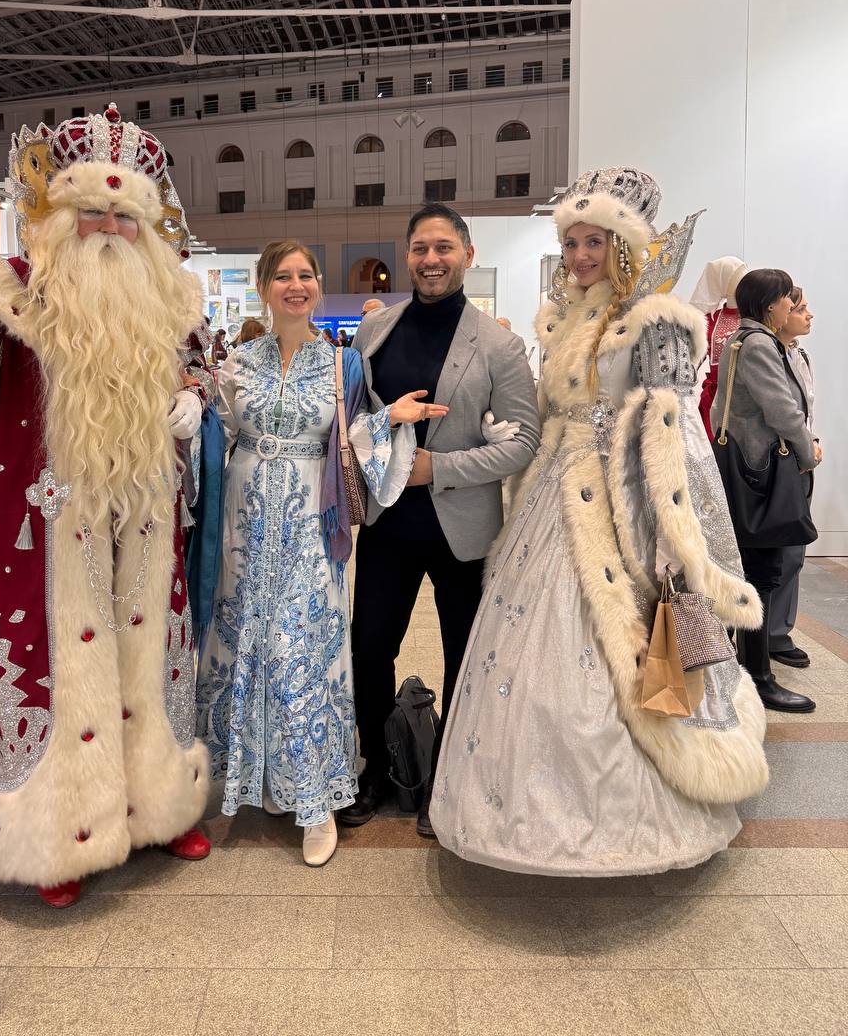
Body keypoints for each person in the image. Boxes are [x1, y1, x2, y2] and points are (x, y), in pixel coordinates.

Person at [0, 105, 213, 908]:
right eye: (92, 210)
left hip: (143, 520)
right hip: (42, 527)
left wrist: (196, 397)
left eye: (125, 215)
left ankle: (159, 808)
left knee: (146, 661)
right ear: (59, 215)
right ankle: (54, 835)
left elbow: (197, 368)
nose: (109, 228)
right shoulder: (1, 292)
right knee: (53, 667)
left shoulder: (170, 299)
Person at [430, 167, 769, 876]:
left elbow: (676, 441)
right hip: (553, 503)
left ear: (623, 243)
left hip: (625, 507)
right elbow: (557, 412)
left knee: (630, 654)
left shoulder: (658, 322)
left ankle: (639, 814)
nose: (581, 255)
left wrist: (677, 543)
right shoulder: (567, 318)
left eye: (594, 241)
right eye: (572, 242)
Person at [197, 240, 435, 867]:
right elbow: (213, 437)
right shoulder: (237, 365)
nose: (296, 285)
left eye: (305, 275)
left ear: (318, 286)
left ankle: (316, 800)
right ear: (263, 287)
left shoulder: (341, 365)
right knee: (245, 642)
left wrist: (390, 419)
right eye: (283, 276)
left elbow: (353, 440)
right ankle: (252, 781)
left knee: (303, 647)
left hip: (311, 523)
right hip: (245, 524)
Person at [341, 203, 540, 838]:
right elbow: (357, 423)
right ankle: (377, 770)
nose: (432, 260)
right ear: (407, 256)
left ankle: (450, 780)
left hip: (462, 531)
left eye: (444, 248)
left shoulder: (500, 345)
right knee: (371, 648)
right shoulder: (374, 333)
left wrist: (439, 468)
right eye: (421, 248)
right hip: (387, 525)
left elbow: (524, 441)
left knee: (464, 654)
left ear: (468, 255)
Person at [712, 269, 819, 713]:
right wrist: (808, 453)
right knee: (761, 572)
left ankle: (739, 671)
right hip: (760, 475)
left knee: (749, 570)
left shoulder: (744, 340)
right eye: (786, 299)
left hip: (749, 471)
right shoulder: (757, 344)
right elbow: (783, 411)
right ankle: (758, 678)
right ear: (770, 304)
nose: (791, 306)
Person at [769, 287, 819, 668]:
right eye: (799, 308)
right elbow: (781, 415)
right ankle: (770, 634)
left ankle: (778, 630)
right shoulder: (767, 355)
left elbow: (804, 413)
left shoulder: (800, 356)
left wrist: (812, 444)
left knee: (794, 553)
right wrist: (804, 450)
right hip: (782, 464)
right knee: (777, 554)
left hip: (801, 462)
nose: (807, 314)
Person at [689, 257, 748, 440]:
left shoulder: (754, 317)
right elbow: (692, 362)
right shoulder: (709, 321)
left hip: (746, 398)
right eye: (737, 276)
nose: (744, 280)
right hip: (715, 399)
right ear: (723, 281)